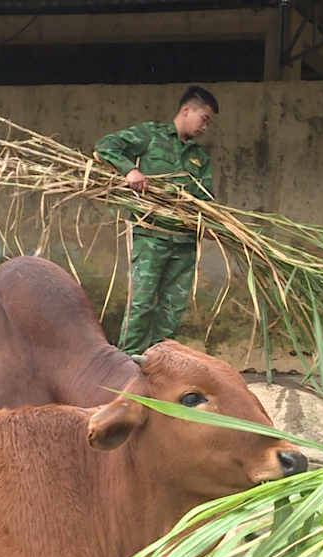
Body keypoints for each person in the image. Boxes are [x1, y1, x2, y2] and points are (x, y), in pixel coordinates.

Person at [94, 85, 219, 355]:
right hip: (151, 236)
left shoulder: (200, 157)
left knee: (172, 309)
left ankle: (158, 365)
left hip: (185, 242)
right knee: (141, 303)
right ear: (187, 110)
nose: (205, 127)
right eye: (204, 119)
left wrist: (209, 224)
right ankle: (127, 364)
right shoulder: (150, 135)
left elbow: (206, 200)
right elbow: (105, 145)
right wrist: (130, 170)